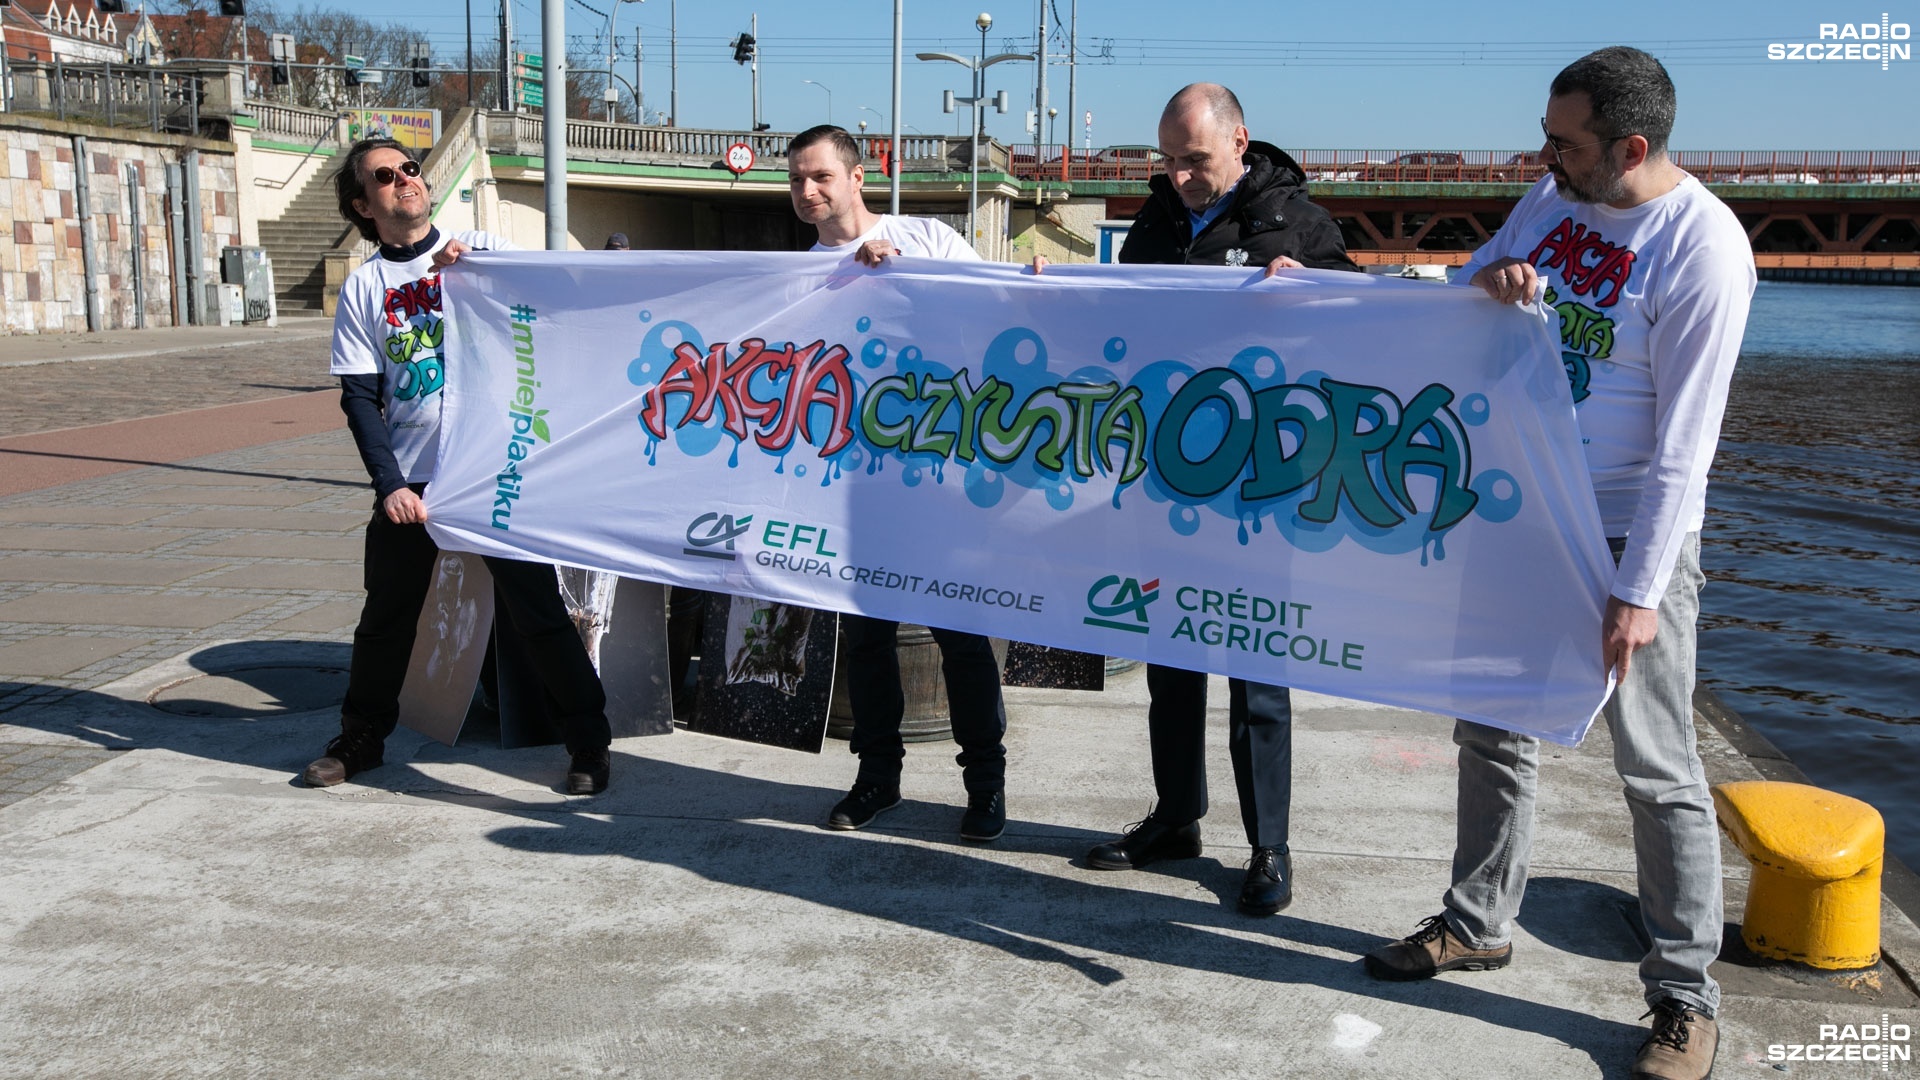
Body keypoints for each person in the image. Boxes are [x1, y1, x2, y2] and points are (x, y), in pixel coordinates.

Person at [1362, 48, 1753, 1080]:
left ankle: (1684, 995)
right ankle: (1476, 922)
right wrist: (1487, 281)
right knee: (1491, 729)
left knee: (1657, 768)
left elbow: (1686, 449)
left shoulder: (1703, 248)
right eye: (1546, 137)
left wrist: (1639, 592)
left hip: (1624, 536)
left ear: (1630, 147)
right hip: (1522, 516)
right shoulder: (1548, 202)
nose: (1545, 157)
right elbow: (1463, 290)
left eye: (1566, 143)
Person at [1081, 83, 1358, 918]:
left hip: (1258, 480)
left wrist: (1317, 293)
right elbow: (1122, 322)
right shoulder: (1157, 219)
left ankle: (1269, 844)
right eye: (1167, 160)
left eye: (1194, 160)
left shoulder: (1297, 222)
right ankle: (1177, 817)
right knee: (1171, 655)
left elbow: (1365, 328)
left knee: (1256, 668)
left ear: (1240, 141)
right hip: (1167, 472)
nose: (1179, 176)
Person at [304, 138, 616, 796]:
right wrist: (389, 484)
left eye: (410, 168)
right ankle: (361, 739)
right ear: (363, 204)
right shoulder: (364, 287)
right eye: (385, 176)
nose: (405, 180)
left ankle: (589, 741)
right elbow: (360, 397)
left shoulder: (483, 250)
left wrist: (481, 275)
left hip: (493, 470)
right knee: (386, 619)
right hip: (415, 478)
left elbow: (565, 299)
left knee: (538, 611)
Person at [786, 123, 1012, 842]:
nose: (807, 191)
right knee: (867, 639)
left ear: (859, 177)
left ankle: (986, 786)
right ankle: (877, 778)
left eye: (820, 176)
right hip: (857, 488)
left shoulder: (928, 239)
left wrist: (905, 278)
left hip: (941, 477)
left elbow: (996, 311)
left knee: (961, 636)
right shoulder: (800, 274)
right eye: (796, 179)